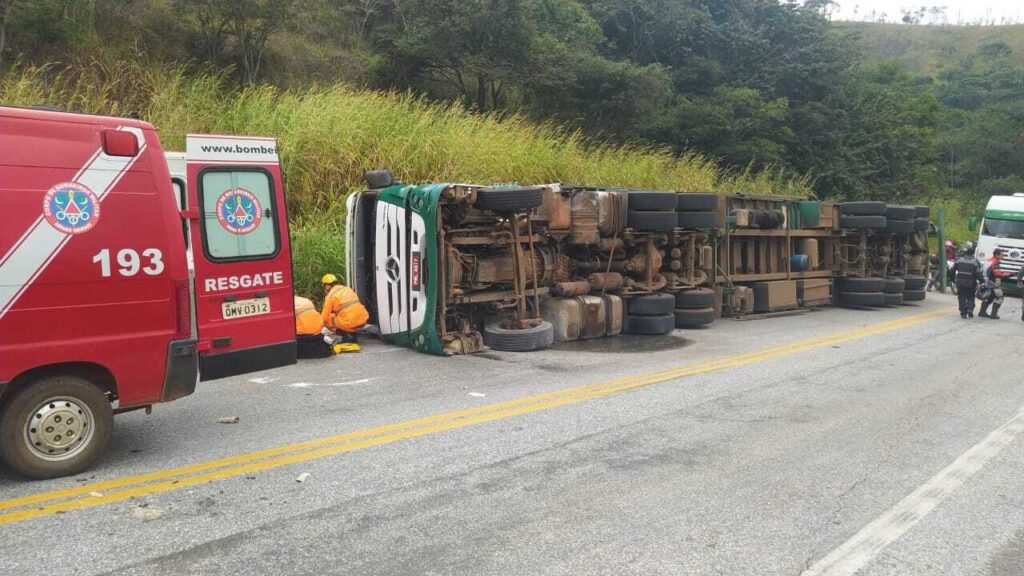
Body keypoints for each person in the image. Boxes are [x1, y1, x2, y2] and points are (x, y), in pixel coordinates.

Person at [321, 273, 369, 342]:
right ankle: (351, 332)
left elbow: (324, 318)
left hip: (349, 322)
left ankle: (345, 334)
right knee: (342, 315)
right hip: (363, 320)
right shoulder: (347, 289)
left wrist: (328, 329)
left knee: (330, 317)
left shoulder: (330, 296)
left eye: (324, 286)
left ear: (327, 286)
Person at [979, 249, 1010, 319]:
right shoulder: (995, 262)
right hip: (992, 282)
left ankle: (982, 312)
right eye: (1002, 255)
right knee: (1000, 298)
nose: (1003, 256)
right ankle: (993, 314)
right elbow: (999, 274)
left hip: (986, 281)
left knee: (989, 297)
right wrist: (1011, 274)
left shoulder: (989, 260)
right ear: (997, 255)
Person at [952, 245, 982, 319]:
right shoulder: (976, 261)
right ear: (973, 253)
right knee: (971, 296)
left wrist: (953, 279)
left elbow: (952, 271)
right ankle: (970, 309)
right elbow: (978, 273)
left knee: (962, 297)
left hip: (960, 282)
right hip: (971, 283)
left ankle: (963, 313)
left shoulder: (959, 260)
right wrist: (982, 281)